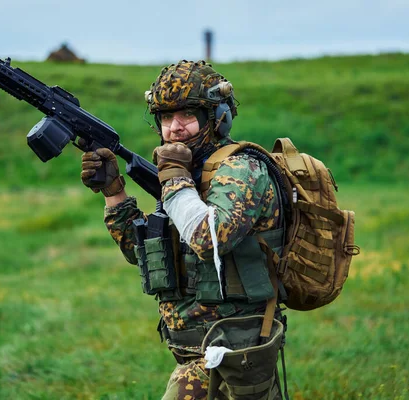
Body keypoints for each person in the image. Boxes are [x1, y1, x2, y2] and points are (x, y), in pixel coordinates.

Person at [80, 60, 285, 400]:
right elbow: (145, 253)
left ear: (218, 118)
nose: (174, 127)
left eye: (187, 115)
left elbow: (209, 240)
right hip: (201, 350)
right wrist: (114, 192)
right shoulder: (189, 176)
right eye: (165, 117)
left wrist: (174, 178)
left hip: (235, 351)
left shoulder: (241, 169)